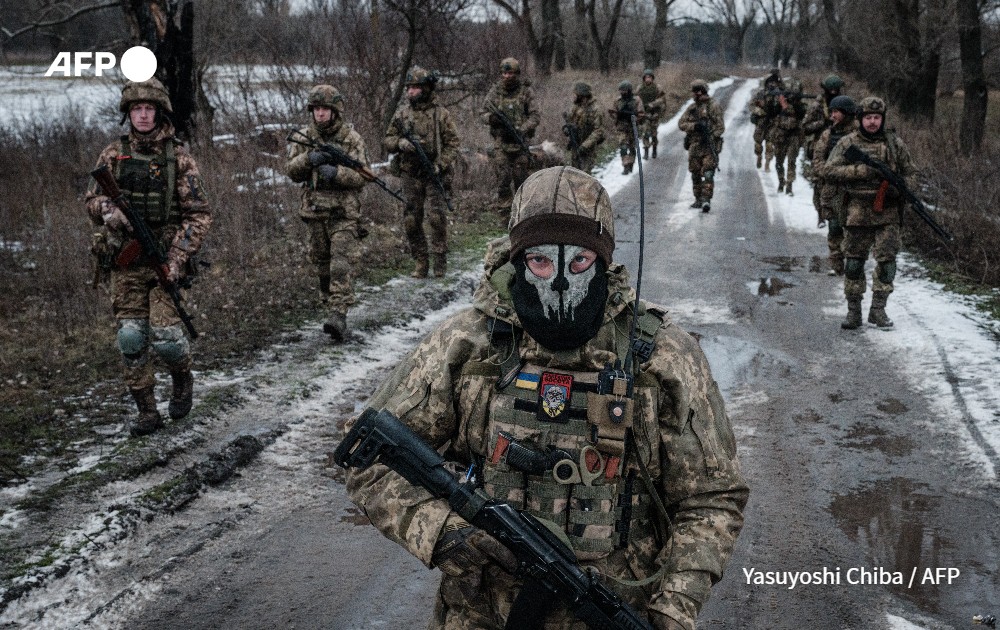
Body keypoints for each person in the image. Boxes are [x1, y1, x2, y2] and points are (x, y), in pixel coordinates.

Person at [344, 166, 748, 630]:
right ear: (517, 259)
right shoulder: (466, 346)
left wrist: (675, 607)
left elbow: (713, 498)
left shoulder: (662, 357)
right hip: (481, 614)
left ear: (602, 260)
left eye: (578, 263)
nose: (557, 282)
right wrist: (443, 533)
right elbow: (369, 459)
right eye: (539, 262)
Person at [85, 78, 212, 436]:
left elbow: (200, 214)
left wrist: (175, 258)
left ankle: (182, 379)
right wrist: (109, 210)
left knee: (167, 338)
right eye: (136, 109)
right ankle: (147, 412)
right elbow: (91, 201)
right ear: (129, 114)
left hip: (165, 263)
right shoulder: (113, 155)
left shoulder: (179, 158)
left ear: (159, 113)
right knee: (130, 338)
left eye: (149, 109)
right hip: (124, 263)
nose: (142, 115)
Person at [825, 96, 916, 329]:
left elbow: (910, 173)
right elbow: (830, 171)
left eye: (877, 118)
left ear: (882, 119)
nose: (873, 122)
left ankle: (878, 310)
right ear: (860, 119)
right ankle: (853, 311)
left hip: (887, 212)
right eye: (868, 118)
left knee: (887, 263)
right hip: (857, 209)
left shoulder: (895, 145)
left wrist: (899, 188)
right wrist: (861, 171)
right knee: (854, 263)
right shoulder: (848, 143)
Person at [287, 84, 369, 341]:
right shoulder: (303, 138)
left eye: (325, 109)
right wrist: (308, 160)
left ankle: (338, 314)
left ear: (335, 111)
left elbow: (363, 175)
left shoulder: (350, 139)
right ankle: (331, 306)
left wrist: (337, 173)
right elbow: (291, 171)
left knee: (340, 265)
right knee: (322, 265)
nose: (320, 114)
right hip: (314, 211)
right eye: (316, 109)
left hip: (344, 213)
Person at [384, 66, 461, 278]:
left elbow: (453, 144)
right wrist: (400, 143)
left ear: (426, 89)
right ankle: (420, 261)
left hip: (434, 173)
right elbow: (388, 140)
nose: (410, 92)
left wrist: (440, 164)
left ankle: (439, 261)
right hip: (410, 172)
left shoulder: (441, 114)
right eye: (408, 88)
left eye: (415, 88)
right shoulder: (402, 115)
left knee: (436, 218)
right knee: (411, 219)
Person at [480, 57, 540, 224]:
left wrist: (523, 128)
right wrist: (492, 119)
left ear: (517, 74)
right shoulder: (495, 91)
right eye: (504, 73)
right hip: (501, 143)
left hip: (520, 143)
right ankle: (505, 218)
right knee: (503, 180)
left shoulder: (526, 92)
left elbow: (535, 116)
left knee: (521, 179)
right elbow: (482, 113)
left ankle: (523, 215)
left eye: (511, 73)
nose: (507, 76)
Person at [811, 95, 858, 275]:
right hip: (832, 188)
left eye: (836, 112)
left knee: (853, 228)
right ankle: (837, 266)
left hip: (854, 189)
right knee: (834, 227)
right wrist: (828, 173)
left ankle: (853, 264)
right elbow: (818, 158)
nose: (832, 116)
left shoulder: (859, 134)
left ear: (846, 113)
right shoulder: (828, 134)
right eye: (831, 111)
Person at [801, 74, 846, 224]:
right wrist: (822, 123)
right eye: (831, 90)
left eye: (836, 90)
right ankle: (821, 214)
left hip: (839, 148)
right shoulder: (817, 105)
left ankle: (836, 214)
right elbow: (805, 127)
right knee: (819, 183)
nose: (833, 93)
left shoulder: (844, 104)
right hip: (820, 148)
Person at [678, 79, 724, 213]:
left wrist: (711, 135)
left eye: (694, 92)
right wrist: (695, 126)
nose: (692, 95)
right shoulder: (692, 108)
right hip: (694, 145)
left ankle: (706, 200)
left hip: (709, 146)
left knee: (708, 172)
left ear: (699, 91)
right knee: (695, 173)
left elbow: (720, 127)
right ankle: (698, 199)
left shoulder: (713, 106)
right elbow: (681, 124)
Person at [766, 76, 806, 195]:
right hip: (780, 136)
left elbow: (800, 115)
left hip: (793, 136)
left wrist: (787, 106)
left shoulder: (800, 106)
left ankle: (789, 185)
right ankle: (781, 181)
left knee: (791, 161)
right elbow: (770, 114)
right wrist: (775, 102)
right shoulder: (778, 103)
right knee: (779, 161)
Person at [561, 81, 605, 173]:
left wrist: (584, 146)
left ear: (582, 95)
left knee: (584, 176)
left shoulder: (595, 109)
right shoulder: (576, 107)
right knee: (574, 174)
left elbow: (598, 131)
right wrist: (566, 129)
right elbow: (570, 121)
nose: (574, 96)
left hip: (587, 149)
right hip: (575, 145)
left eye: (576, 94)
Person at [609, 80, 645, 174]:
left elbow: (641, 113)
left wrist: (633, 118)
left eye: (624, 90)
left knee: (632, 147)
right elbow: (613, 112)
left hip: (633, 127)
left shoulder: (636, 100)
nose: (622, 92)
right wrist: (618, 115)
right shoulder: (617, 101)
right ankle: (625, 165)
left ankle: (631, 163)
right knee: (623, 147)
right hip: (622, 127)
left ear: (629, 90)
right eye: (621, 90)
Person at [748, 69, 781, 170]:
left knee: (770, 144)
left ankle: (767, 162)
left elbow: (784, 107)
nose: (772, 84)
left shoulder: (779, 94)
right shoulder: (760, 94)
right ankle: (759, 156)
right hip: (761, 122)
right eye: (770, 82)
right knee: (758, 143)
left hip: (773, 122)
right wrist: (759, 111)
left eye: (774, 82)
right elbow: (751, 105)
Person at [637, 69, 667, 159]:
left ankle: (654, 149)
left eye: (649, 77)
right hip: (645, 114)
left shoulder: (658, 87)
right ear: (644, 78)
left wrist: (653, 104)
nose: (648, 79)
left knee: (654, 134)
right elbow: (636, 100)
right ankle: (646, 151)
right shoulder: (640, 88)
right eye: (646, 77)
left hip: (655, 114)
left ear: (652, 78)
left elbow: (662, 99)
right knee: (645, 133)